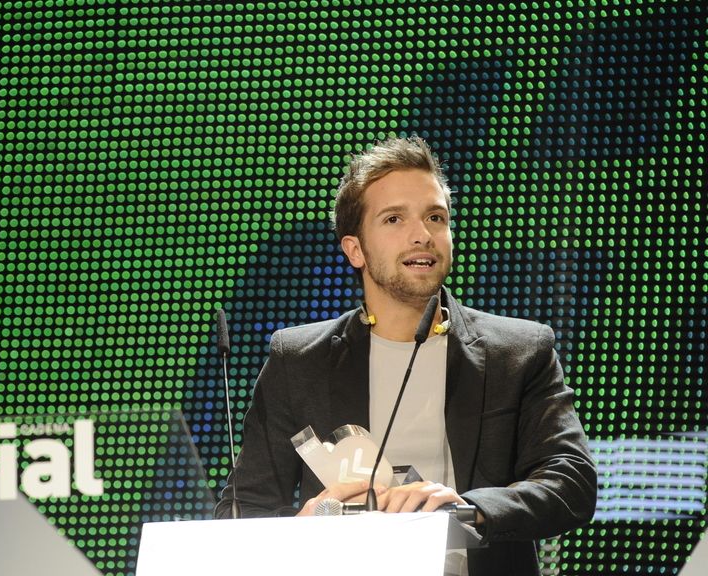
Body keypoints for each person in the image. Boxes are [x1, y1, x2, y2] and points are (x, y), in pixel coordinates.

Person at [214, 136, 597, 576]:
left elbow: (571, 484)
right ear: (354, 249)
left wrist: (467, 511)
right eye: (394, 218)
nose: (423, 235)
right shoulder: (299, 360)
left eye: (436, 217)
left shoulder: (519, 350)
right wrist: (311, 525)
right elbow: (241, 514)